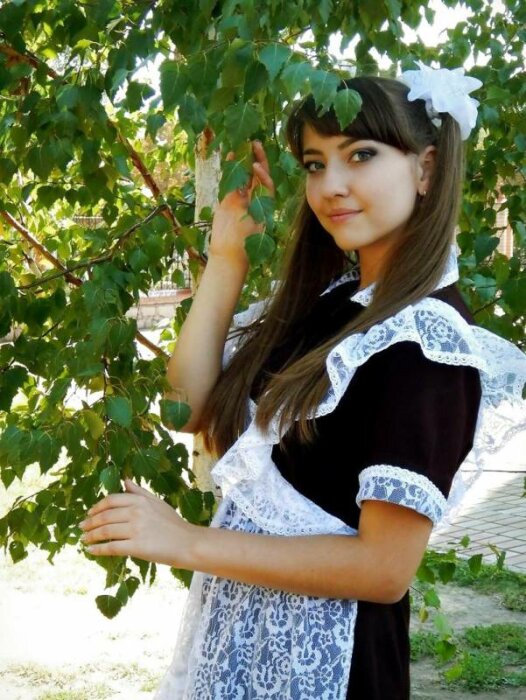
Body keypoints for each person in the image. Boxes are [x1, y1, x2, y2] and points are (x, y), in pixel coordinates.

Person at [79, 62, 526, 699]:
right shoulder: (335, 305)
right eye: (315, 164)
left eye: (361, 155)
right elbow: (187, 409)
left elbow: (384, 569)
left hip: (331, 663)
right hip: (247, 634)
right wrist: (226, 258)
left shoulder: (426, 342)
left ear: (426, 169)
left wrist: (186, 541)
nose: (331, 186)